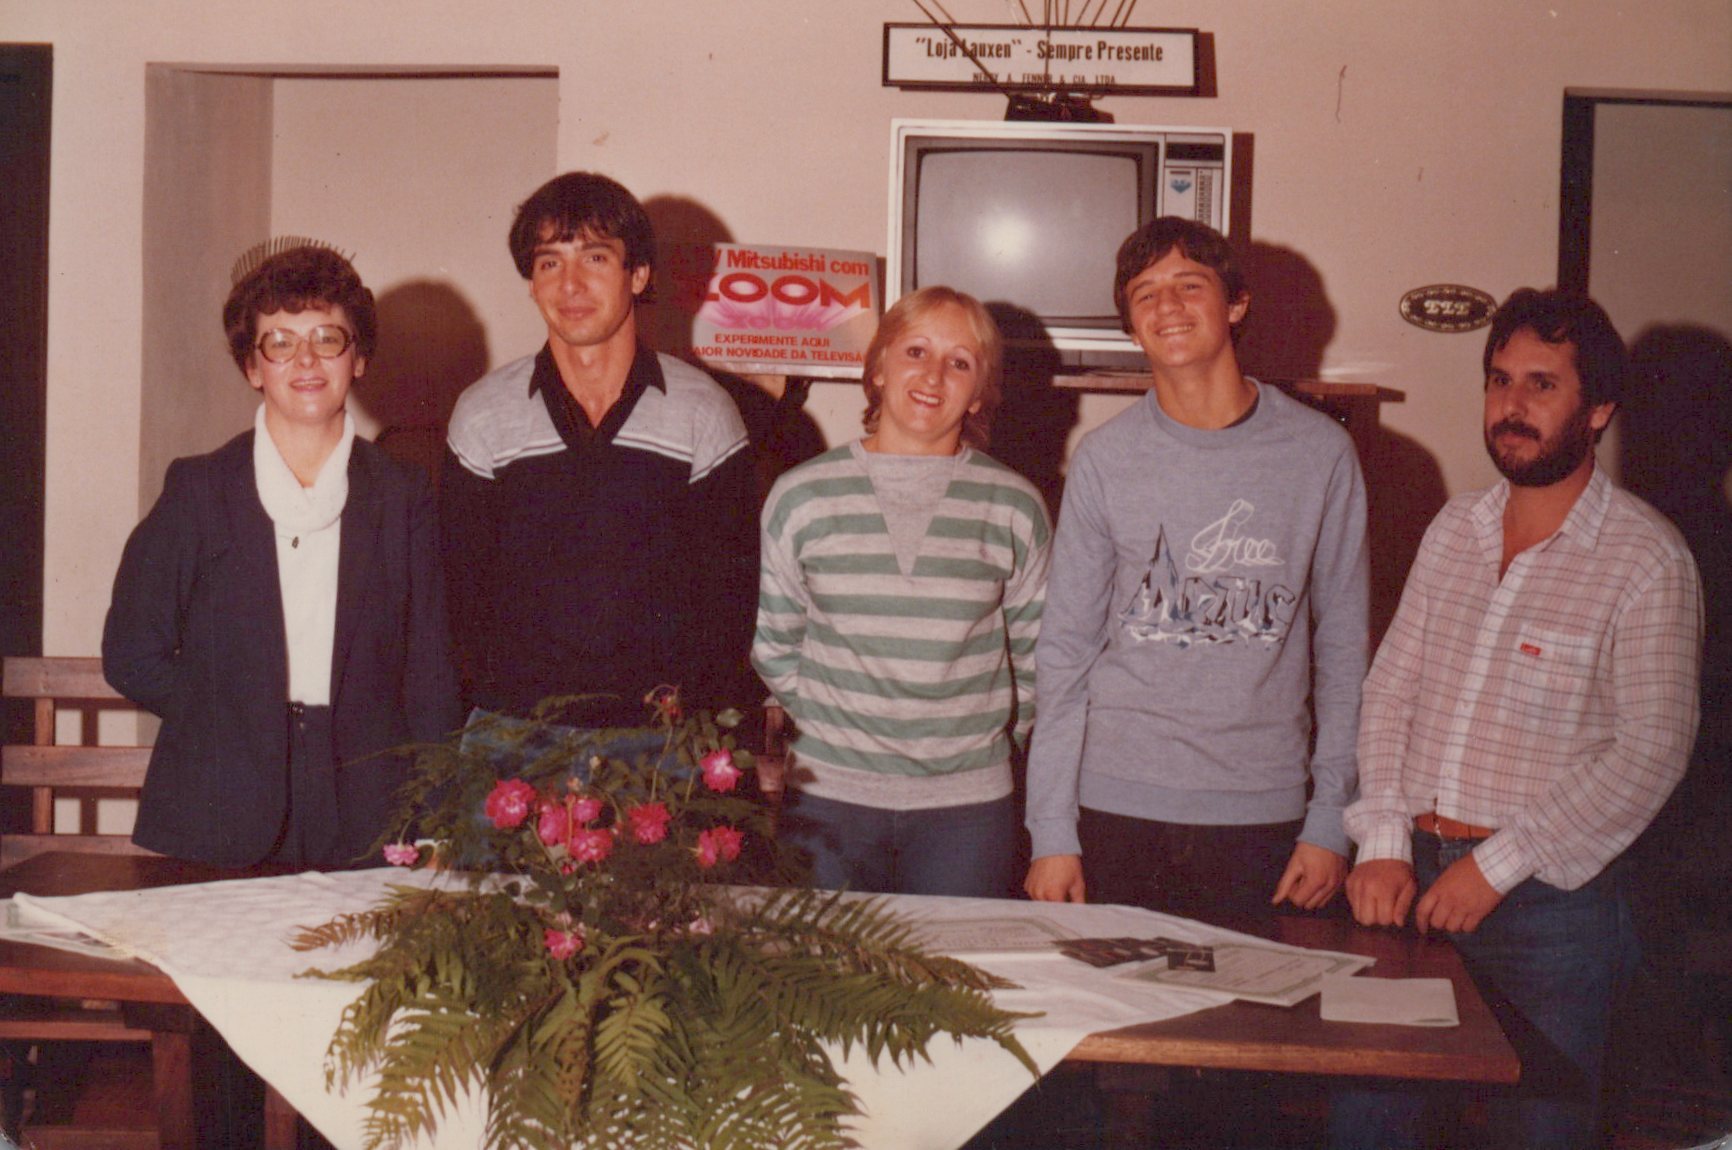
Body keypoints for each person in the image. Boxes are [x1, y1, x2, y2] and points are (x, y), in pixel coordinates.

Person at [1336, 288, 1703, 1149]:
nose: (1511, 405)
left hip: (1551, 911)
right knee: (1370, 1122)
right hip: (1409, 885)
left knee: (1538, 1132)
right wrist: (1383, 841)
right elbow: (1390, 690)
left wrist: (1494, 869)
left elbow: (1652, 749)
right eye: (1499, 380)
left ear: (1598, 409)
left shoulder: (1648, 559)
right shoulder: (1453, 529)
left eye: (1542, 384)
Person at [1023, 217, 1369, 933]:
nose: (1167, 307)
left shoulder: (1320, 454)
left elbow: (1344, 649)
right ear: (1131, 328)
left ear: (1236, 303)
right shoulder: (1104, 459)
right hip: (1114, 808)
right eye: (1145, 294)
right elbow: (1064, 655)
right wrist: (1051, 831)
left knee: (1254, 1007)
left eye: (1189, 285)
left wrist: (1330, 818)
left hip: (1263, 813)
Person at [103, 242, 461, 869]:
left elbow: (430, 674)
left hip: (368, 801)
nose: (306, 360)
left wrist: (437, 814)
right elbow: (132, 654)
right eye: (280, 342)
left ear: (358, 358)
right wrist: (235, 715)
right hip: (220, 797)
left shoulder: (403, 494)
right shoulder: (199, 489)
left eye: (327, 338)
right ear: (252, 366)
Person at [752, 287, 1052, 896]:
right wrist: (842, 733)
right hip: (828, 802)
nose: (933, 375)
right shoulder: (801, 496)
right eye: (916, 351)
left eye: (959, 362)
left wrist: (981, 748)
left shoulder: (1015, 505)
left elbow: (1037, 658)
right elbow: (774, 644)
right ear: (879, 369)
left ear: (979, 393)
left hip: (967, 815)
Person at [441, 172, 758, 728]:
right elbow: (460, 603)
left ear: (638, 274)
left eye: (594, 258)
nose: (570, 285)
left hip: (659, 744)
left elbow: (730, 608)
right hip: (517, 741)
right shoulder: (482, 416)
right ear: (531, 283)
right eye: (549, 263)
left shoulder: (704, 413)